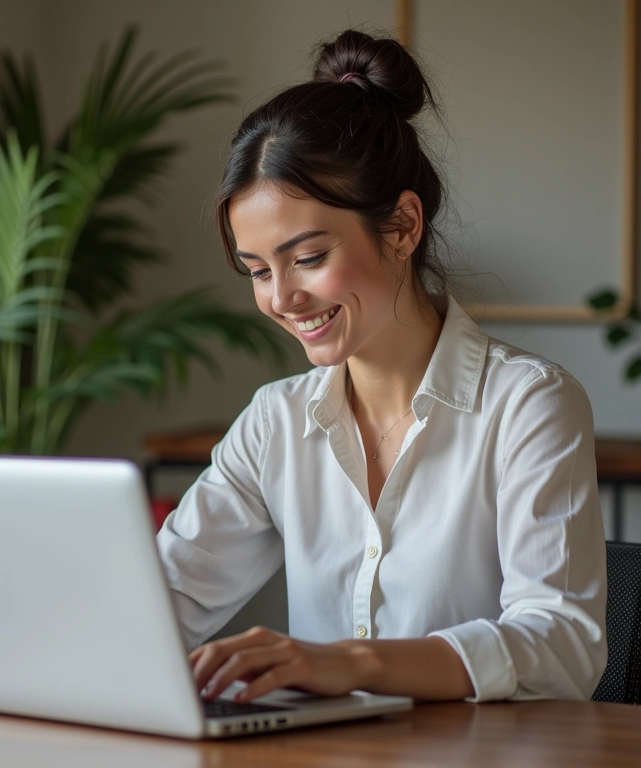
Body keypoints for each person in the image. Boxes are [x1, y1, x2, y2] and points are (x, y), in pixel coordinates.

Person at [156, 29, 607, 704]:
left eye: (307, 258)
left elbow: (560, 645)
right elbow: (163, 597)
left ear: (401, 226)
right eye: (257, 270)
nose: (281, 298)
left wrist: (356, 663)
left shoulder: (528, 404)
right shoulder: (275, 422)